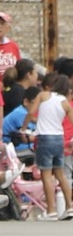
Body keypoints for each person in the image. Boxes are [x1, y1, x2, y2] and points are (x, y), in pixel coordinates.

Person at [34, 73, 70, 219]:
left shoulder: (43, 96)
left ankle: (51, 210)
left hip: (44, 138)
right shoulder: (65, 102)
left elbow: (31, 112)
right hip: (58, 139)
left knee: (47, 175)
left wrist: (24, 128)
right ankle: (70, 207)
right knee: (61, 175)